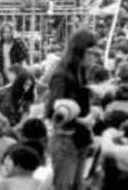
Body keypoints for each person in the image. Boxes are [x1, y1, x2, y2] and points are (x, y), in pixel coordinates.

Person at [46, 29, 98, 190]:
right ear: (80, 51)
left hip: (80, 137)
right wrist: (82, 119)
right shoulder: (62, 74)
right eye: (91, 52)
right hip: (66, 139)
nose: (94, 56)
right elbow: (52, 112)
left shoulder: (81, 71)